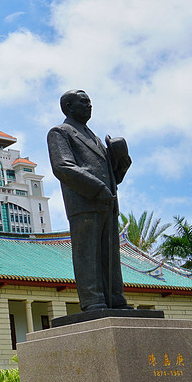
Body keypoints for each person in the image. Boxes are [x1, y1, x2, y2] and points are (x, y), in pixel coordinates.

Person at [46, 90, 132, 312]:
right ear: (68, 107)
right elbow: (63, 167)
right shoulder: (60, 132)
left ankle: (115, 298)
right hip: (84, 203)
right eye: (83, 102)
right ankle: (93, 301)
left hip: (107, 202)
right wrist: (97, 188)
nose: (89, 105)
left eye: (90, 102)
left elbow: (113, 175)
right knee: (88, 254)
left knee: (110, 254)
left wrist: (121, 159)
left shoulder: (95, 137)